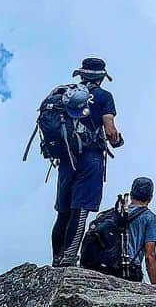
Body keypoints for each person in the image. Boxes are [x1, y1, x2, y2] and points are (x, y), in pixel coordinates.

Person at [51, 57, 123, 266]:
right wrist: (117, 140)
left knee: (62, 211)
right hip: (90, 158)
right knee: (80, 209)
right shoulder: (103, 96)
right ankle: (69, 257)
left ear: (81, 75)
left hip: (66, 158)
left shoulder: (65, 94)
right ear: (101, 78)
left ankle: (57, 257)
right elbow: (109, 130)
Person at [125, 177, 156, 285]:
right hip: (130, 271)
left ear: (131, 194)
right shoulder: (150, 218)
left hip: (108, 267)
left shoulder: (116, 213)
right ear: (150, 198)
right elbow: (149, 255)